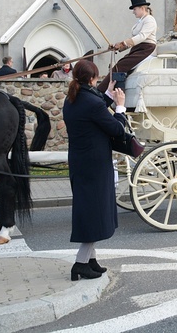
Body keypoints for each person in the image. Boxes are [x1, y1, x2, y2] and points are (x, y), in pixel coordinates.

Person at [62, 59, 127, 281]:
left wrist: (108, 95)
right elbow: (117, 129)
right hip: (95, 164)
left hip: (80, 161)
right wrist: (120, 106)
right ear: (92, 79)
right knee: (94, 213)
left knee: (91, 210)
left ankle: (91, 261)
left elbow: (95, 107)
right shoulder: (91, 102)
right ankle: (80, 263)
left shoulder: (72, 99)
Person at [98, 0, 157, 93]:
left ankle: (101, 91)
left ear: (142, 8)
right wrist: (118, 47)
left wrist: (122, 43)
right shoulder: (141, 21)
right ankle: (112, 93)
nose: (133, 12)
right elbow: (134, 41)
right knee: (119, 67)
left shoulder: (149, 20)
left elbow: (142, 36)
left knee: (119, 67)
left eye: (134, 9)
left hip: (146, 49)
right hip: (138, 48)